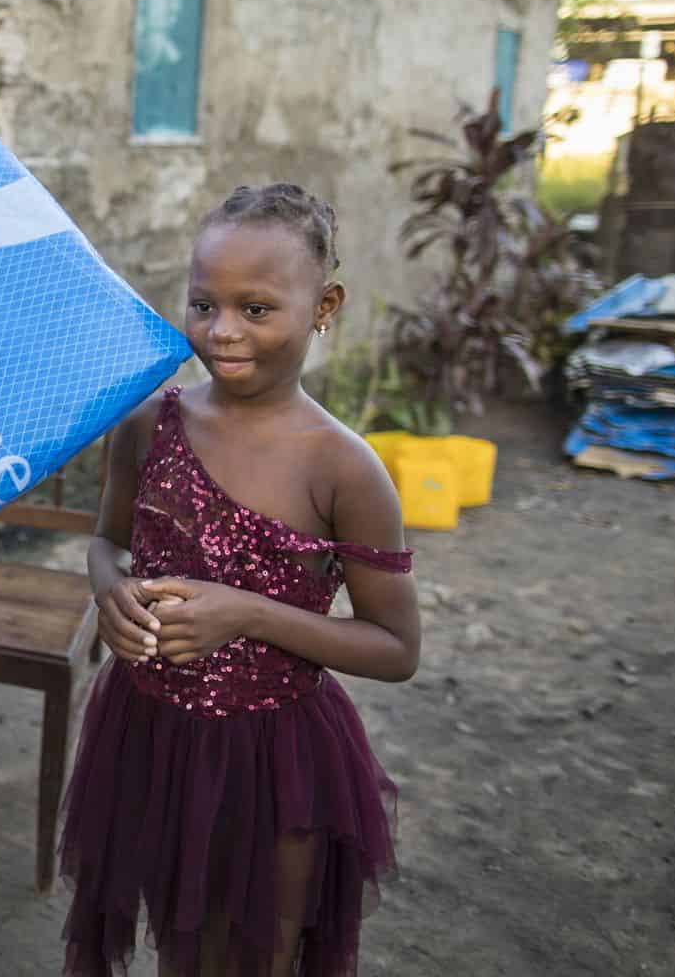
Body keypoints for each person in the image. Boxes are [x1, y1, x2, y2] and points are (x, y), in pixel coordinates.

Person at [58, 184, 422, 977]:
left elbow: (395, 647)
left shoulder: (344, 468)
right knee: (172, 941)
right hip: (144, 730)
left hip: (273, 760)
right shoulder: (150, 423)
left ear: (324, 306)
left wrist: (249, 614)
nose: (222, 332)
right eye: (203, 304)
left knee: (251, 951)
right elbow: (107, 543)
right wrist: (109, 589)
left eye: (256, 309)